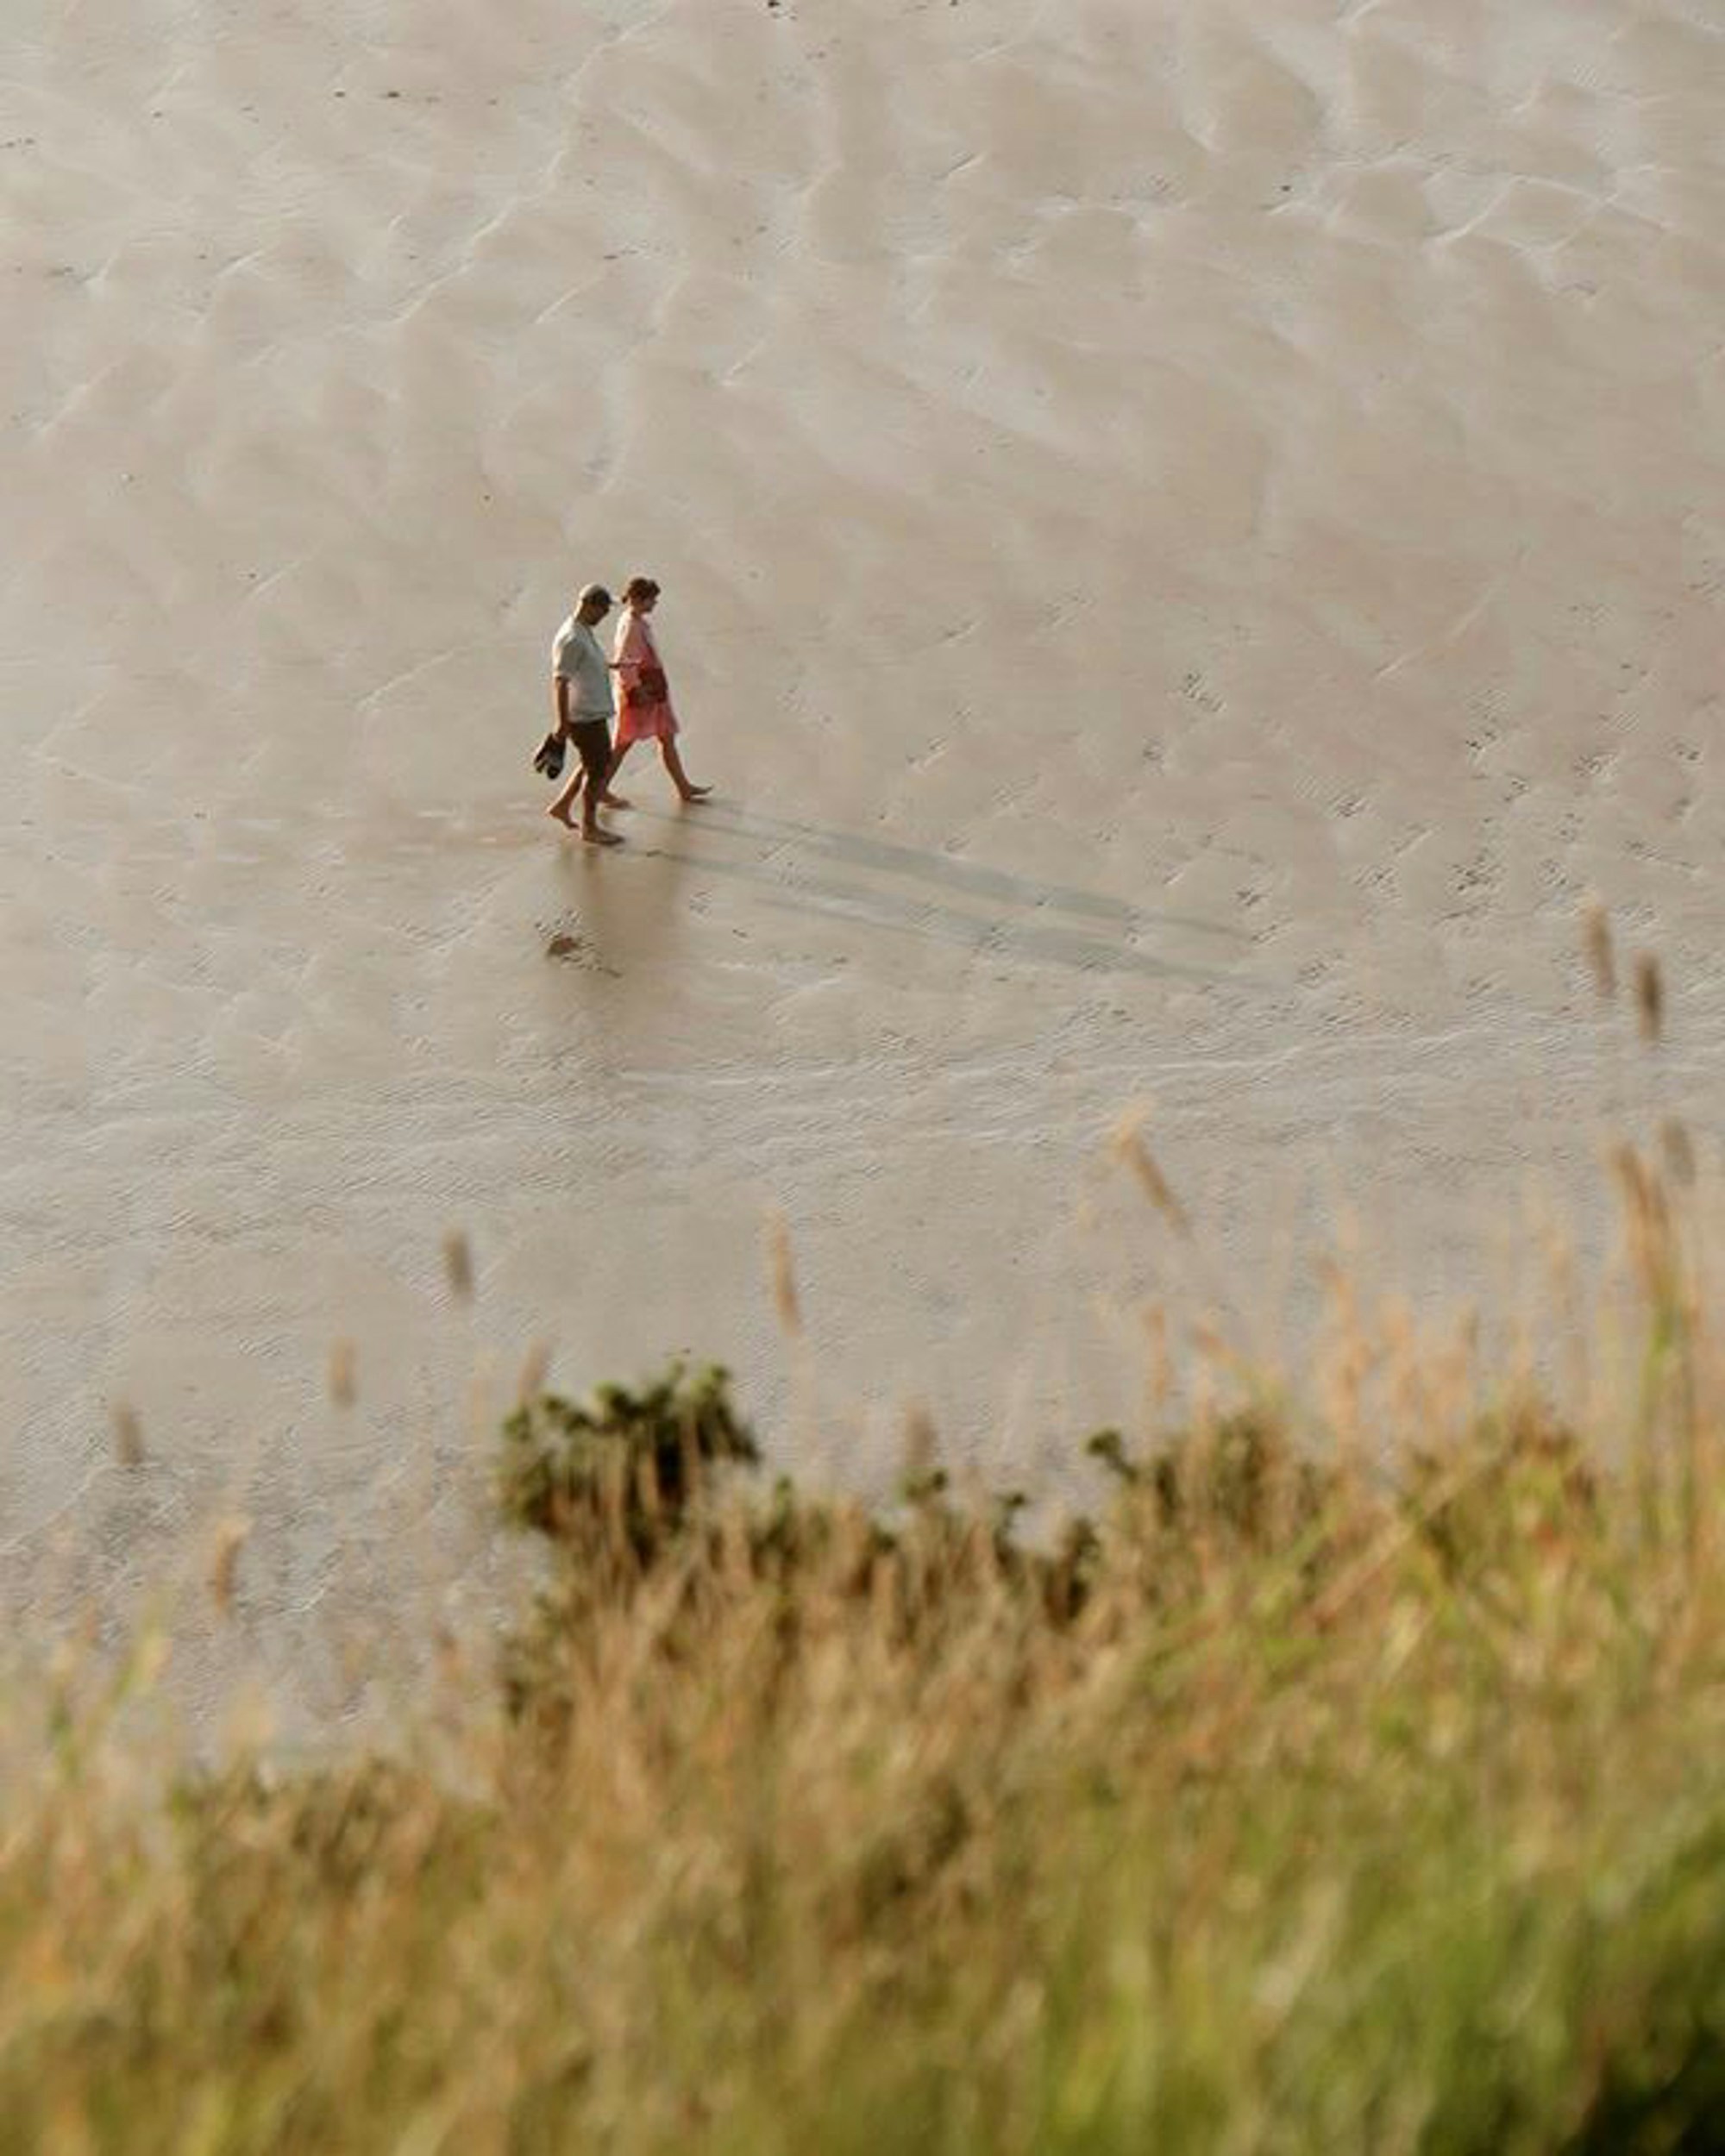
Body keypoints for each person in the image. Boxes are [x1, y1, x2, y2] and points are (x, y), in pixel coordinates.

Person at [605, 576, 711, 804]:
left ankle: (684, 787)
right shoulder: (631, 625)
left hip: (653, 688)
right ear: (638, 600)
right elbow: (624, 662)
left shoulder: (635, 620)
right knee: (623, 743)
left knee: (666, 737)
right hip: (642, 690)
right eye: (651, 600)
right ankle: (599, 788)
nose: (654, 604)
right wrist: (636, 689)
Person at [545, 583, 624, 844]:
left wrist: (613, 665)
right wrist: (561, 722)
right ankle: (589, 827)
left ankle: (562, 806)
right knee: (598, 769)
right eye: (603, 609)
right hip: (583, 716)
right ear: (590, 605)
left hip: (593, 712)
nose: (605, 614)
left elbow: (586, 664)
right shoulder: (572, 638)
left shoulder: (583, 632)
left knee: (593, 763)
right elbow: (560, 680)